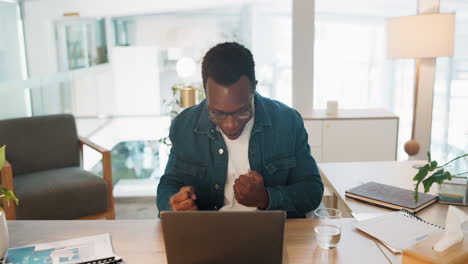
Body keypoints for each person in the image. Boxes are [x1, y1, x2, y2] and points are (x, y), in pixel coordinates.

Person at [157, 42, 323, 218]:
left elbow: (312, 190)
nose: (230, 124)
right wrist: (172, 203)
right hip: (208, 231)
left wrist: (266, 198)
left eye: (241, 112)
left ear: (254, 87)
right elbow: (169, 184)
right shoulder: (184, 125)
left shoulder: (287, 122)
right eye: (217, 113)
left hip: (271, 231)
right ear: (205, 91)